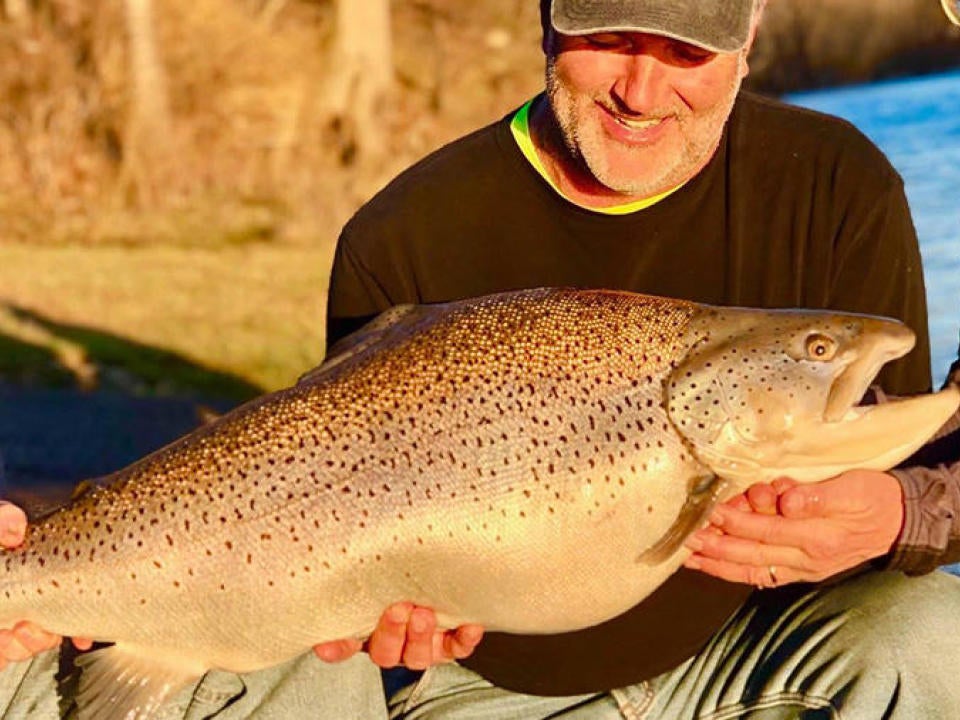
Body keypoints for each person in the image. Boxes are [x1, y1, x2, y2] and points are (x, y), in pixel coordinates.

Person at [1, 0, 959, 718]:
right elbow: (345, 527)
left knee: (935, 634)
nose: (641, 87)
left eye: (687, 51)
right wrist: (399, 619)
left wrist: (899, 515)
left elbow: (923, 478)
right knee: (287, 669)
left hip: (756, 657)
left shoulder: (836, 184)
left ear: (748, 41)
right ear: (545, 22)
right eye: (608, 37)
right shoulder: (406, 231)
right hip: (477, 689)